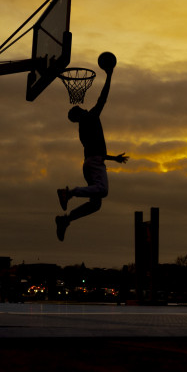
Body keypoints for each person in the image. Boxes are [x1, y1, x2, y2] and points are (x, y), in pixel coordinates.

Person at [55, 66, 128, 241]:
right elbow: (103, 97)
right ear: (80, 111)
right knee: (102, 190)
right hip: (94, 163)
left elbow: (96, 151)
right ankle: (69, 193)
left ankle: (66, 220)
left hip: (90, 163)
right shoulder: (90, 117)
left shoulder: (83, 128)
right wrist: (109, 75)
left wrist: (113, 158)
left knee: (95, 205)